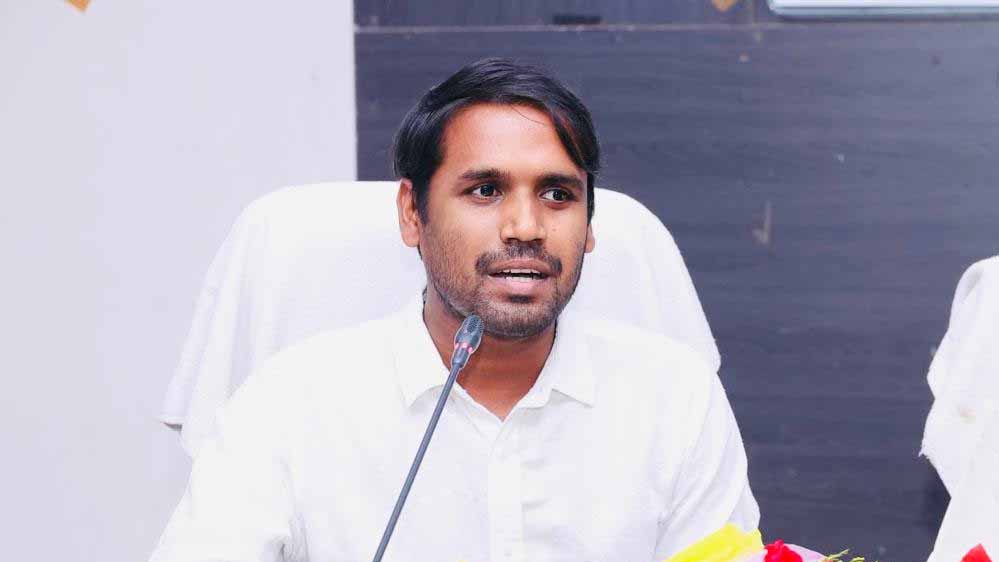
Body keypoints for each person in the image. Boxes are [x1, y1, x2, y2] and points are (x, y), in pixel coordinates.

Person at [149, 58, 759, 562]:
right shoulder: (288, 402)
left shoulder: (677, 399)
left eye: (557, 194)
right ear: (412, 214)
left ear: (590, 224)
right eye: (485, 191)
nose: (526, 227)